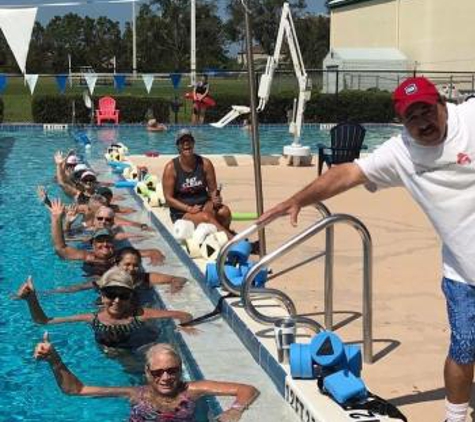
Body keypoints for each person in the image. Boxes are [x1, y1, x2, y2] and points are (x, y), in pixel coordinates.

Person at [260, 76, 475, 422]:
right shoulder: (401, 152)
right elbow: (346, 174)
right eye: (412, 116)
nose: (423, 122)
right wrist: (297, 199)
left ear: (442, 105)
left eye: (427, 110)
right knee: (464, 350)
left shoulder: (471, 118)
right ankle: (455, 417)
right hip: (463, 274)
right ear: (402, 121)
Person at [34, 337, 259, 422]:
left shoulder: (191, 390)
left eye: (172, 370)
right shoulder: (136, 394)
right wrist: (54, 359)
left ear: (180, 370)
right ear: (147, 372)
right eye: (158, 372)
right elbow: (77, 390)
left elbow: (247, 389)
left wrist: (236, 409)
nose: (166, 377)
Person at [17, 267, 196, 349]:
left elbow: (184, 314)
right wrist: (31, 300)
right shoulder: (91, 318)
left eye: (123, 295)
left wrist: (183, 326)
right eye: (111, 294)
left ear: (131, 297)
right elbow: (44, 321)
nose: (117, 300)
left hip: (136, 351)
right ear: (102, 296)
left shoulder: (141, 315)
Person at [50, 199, 165, 275]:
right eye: (100, 240)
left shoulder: (120, 255)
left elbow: (153, 251)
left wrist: (156, 264)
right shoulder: (87, 256)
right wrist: (57, 219)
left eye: (108, 240)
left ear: (113, 242)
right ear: (93, 244)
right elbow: (61, 248)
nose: (105, 244)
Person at [162, 129, 234, 239]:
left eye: (189, 141)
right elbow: (168, 199)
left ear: (193, 143)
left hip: (204, 205)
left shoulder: (205, 164)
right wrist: (188, 208)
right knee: (206, 217)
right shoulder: (171, 168)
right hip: (182, 212)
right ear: (178, 146)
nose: (186, 143)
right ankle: (233, 241)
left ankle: (222, 237)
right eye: (182, 142)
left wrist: (216, 198)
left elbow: (212, 190)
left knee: (224, 212)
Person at [50, 246, 187, 296]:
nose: (131, 269)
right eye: (127, 264)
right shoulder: (108, 279)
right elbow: (79, 288)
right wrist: (50, 293)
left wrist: (174, 290)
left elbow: (179, 279)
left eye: (135, 265)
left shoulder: (143, 278)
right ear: (117, 264)